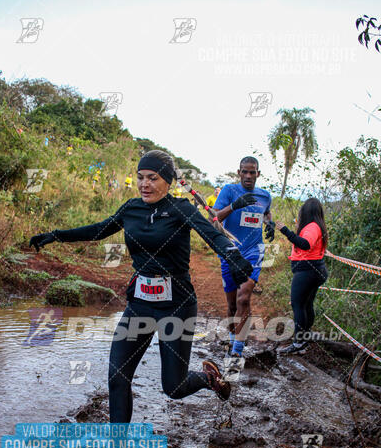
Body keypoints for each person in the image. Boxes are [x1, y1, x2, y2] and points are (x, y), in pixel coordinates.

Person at [29, 150, 254, 423]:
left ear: (168, 182)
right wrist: (55, 236)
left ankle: (208, 378)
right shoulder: (131, 209)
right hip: (140, 305)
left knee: (174, 387)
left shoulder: (181, 210)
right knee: (117, 377)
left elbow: (213, 236)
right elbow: (96, 230)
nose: (144, 184)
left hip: (177, 307)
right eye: (140, 177)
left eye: (153, 178)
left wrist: (234, 258)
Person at [213, 156, 274, 362]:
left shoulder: (265, 196)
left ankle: (238, 347)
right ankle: (233, 338)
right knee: (231, 304)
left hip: (253, 251)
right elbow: (215, 219)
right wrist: (234, 205)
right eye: (244, 172)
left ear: (258, 173)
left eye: (252, 172)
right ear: (239, 173)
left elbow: (266, 214)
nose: (248, 176)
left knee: (244, 297)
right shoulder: (229, 191)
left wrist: (270, 224)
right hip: (229, 251)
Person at [275, 197, 328, 354]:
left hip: (307, 271)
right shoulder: (318, 226)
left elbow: (305, 244)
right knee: (306, 304)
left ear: (306, 212)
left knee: (298, 305)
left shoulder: (312, 227)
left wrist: (286, 231)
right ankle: (305, 336)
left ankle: (298, 344)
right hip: (314, 270)